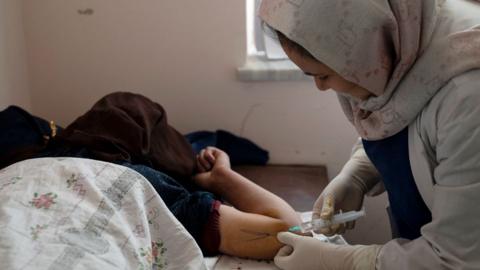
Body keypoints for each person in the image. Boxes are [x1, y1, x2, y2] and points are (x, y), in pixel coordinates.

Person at [258, 0, 480, 269]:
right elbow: (400, 120)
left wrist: (344, 261)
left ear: (363, 49)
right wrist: (358, 173)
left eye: (324, 75)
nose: (320, 87)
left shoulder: (468, 95)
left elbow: (457, 257)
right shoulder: (402, 40)